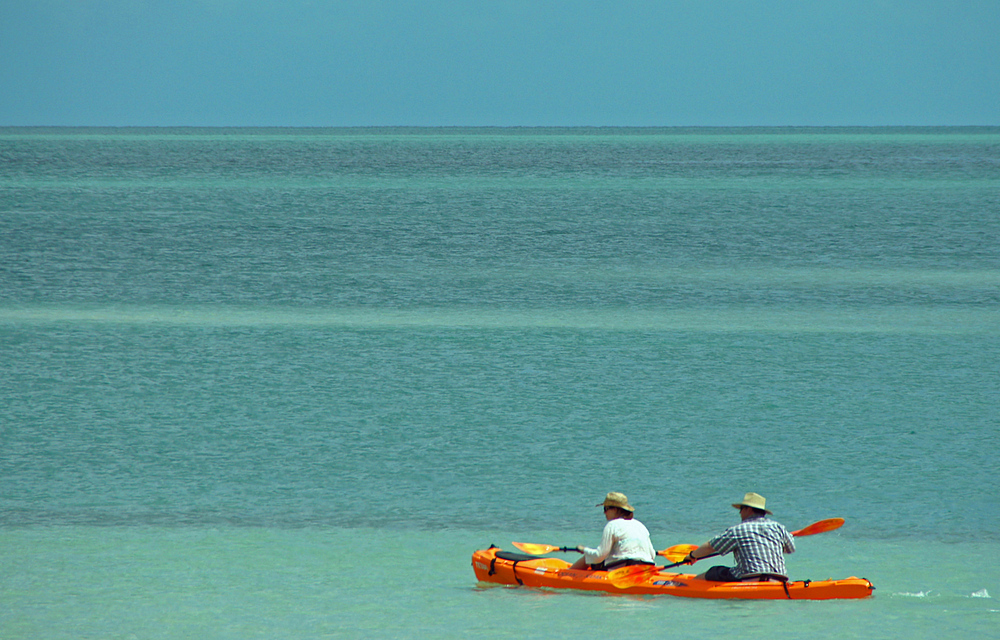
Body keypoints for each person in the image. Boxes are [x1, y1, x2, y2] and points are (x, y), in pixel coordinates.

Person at [684, 492, 795, 582]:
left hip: (749, 577)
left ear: (749, 509)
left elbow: (710, 547)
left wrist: (692, 555)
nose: (740, 513)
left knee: (714, 571)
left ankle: (693, 585)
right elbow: (790, 549)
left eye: (741, 509)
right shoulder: (779, 528)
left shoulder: (738, 530)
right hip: (780, 578)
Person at [569, 492, 656, 571]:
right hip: (647, 567)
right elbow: (652, 555)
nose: (604, 513)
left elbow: (599, 556)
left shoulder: (612, 525)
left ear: (615, 509)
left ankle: (566, 575)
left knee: (587, 558)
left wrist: (584, 550)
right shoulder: (640, 525)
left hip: (623, 568)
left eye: (606, 509)